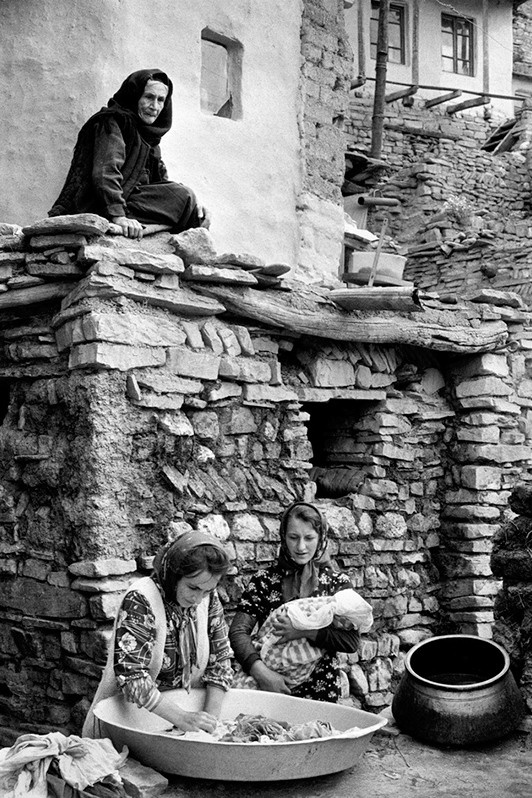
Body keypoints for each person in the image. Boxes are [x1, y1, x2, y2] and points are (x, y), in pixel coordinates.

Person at [82, 531, 233, 738]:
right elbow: (133, 677)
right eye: (192, 588)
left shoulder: (208, 598)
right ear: (174, 575)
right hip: (127, 724)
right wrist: (183, 718)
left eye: (206, 591)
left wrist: (208, 725)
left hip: (182, 727)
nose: (198, 599)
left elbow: (220, 662)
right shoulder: (142, 599)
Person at [229, 501, 365, 703]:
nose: (301, 547)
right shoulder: (264, 581)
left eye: (309, 538)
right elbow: (238, 631)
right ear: (283, 537)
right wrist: (261, 672)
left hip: (319, 692)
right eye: (293, 537)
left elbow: (351, 641)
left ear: (321, 539)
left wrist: (304, 631)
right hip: (269, 690)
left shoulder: (336, 585)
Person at [49, 68, 209, 239]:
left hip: (132, 201)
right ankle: (137, 226)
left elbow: (161, 184)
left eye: (161, 100)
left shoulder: (149, 138)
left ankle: (163, 225)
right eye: (148, 97)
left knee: (186, 199)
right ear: (135, 95)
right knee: (185, 198)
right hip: (99, 203)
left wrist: (193, 207)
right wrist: (118, 216)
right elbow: (105, 173)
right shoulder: (113, 122)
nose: (154, 107)